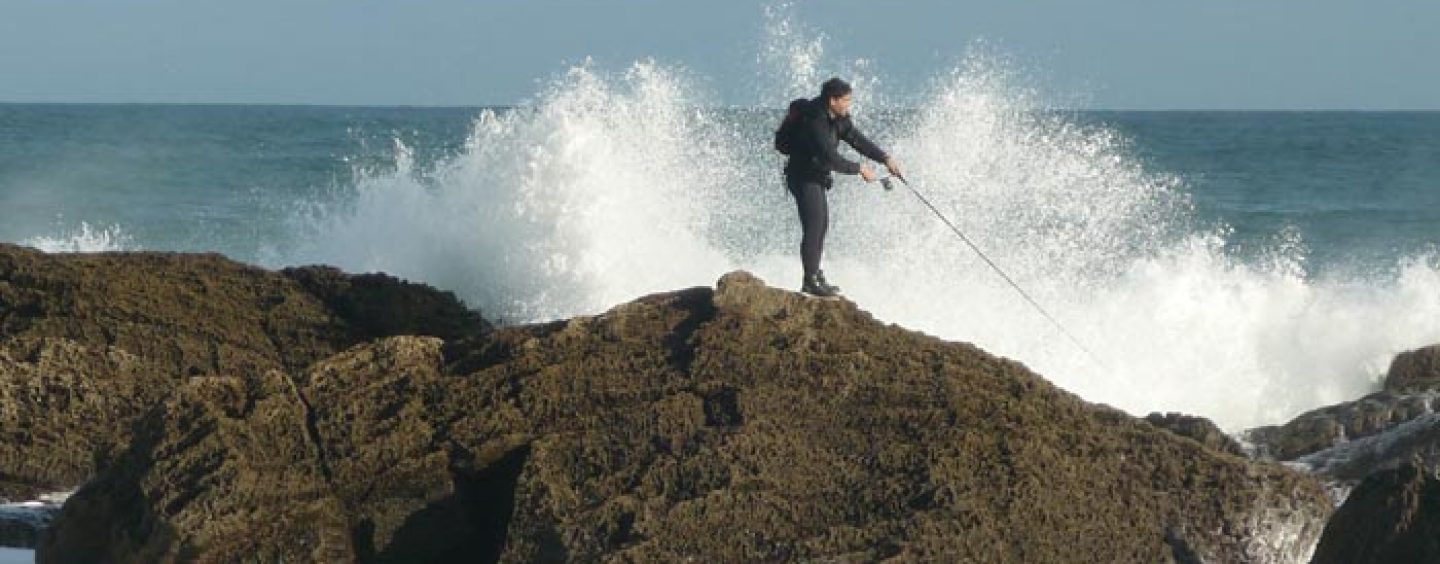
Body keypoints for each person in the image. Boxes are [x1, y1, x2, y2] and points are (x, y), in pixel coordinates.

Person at [783, 77, 902, 298]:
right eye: (846, 100)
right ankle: (809, 281)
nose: (849, 104)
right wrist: (859, 169)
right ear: (832, 100)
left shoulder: (839, 118)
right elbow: (829, 158)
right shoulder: (815, 121)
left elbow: (857, 140)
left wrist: (884, 158)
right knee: (815, 226)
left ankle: (815, 274)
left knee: (821, 225)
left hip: (816, 176)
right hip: (801, 177)